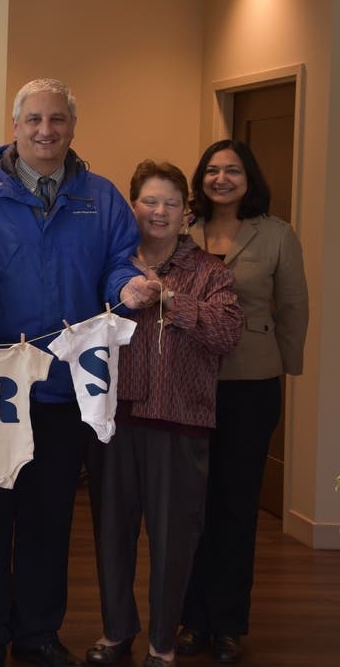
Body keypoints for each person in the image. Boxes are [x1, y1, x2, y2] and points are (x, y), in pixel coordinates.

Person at [0, 78, 161, 667]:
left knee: (49, 517)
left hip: (65, 388)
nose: (46, 130)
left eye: (57, 119)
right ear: (15, 126)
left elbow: (117, 264)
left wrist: (128, 287)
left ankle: (39, 632)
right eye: (35, 119)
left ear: (72, 127)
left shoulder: (102, 197)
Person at [83, 161, 242, 667]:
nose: (160, 211)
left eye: (171, 203)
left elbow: (227, 333)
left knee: (174, 542)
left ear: (186, 212)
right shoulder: (111, 264)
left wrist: (172, 299)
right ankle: (116, 632)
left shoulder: (211, 271)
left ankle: (162, 643)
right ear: (132, 207)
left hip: (180, 421)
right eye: (150, 201)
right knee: (113, 536)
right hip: (114, 420)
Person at [177, 140, 309, 664]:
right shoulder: (183, 228)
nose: (222, 178)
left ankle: (228, 622)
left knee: (235, 506)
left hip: (251, 383)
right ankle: (191, 619)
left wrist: (287, 365)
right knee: (191, 506)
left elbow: (294, 304)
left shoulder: (276, 234)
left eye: (232, 170)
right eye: (212, 170)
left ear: (249, 178)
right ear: (201, 178)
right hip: (186, 380)